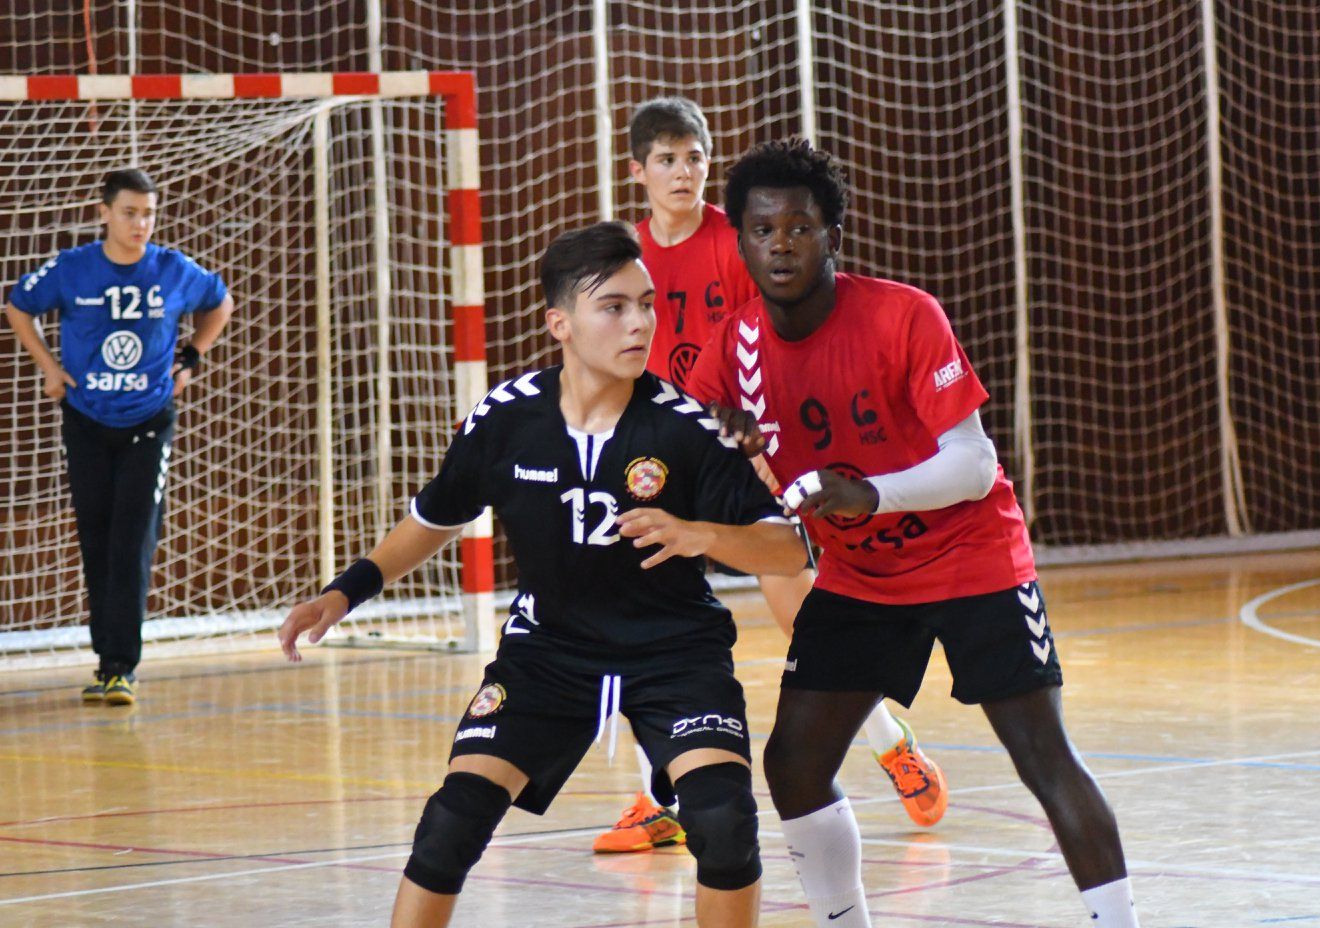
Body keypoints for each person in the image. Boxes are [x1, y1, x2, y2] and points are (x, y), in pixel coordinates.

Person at [278, 221, 807, 928]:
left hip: (675, 655)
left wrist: (701, 534)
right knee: (449, 824)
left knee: (723, 819)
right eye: (613, 306)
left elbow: (788, 550)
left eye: (646, 304)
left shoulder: (687, 428)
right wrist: (345, 591)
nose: (640, 323)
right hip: (549, 653)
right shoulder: (506, 419)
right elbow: (434, 518)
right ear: (560, 323)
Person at [686, 140, 1141, 928]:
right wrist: (714, 438)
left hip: (973, 559)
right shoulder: (735, 349)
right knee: (793, 764)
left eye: (800, 227)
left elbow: (974, 464)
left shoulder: (904, 314)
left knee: (1042, 756)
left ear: (834, 235)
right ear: (742, 244)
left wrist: (869, 495)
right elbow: (682, 452)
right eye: (762, 230)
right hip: (862, 579)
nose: (781, 245)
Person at [590, 97, 948, 856]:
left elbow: (780, 334)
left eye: (694, 157)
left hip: (746, 441)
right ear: (638, 172)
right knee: (647, 620)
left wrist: (765, 439)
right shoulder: (627, 254)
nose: (683, 172)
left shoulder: (740, 238)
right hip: (664, 451)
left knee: (801, 611)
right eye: (667, 160)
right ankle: (658, 798)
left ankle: (890, 743)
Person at [5, 168, 233, 706]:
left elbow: (219, 301)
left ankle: (119, 667)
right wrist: (49, 368)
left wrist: (192, 356)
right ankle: (104, 657)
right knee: (97, 537)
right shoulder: (74, 268)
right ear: (104, 213)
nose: (141, 224)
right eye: (130, 213)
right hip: (86, 419)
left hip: (147, 422)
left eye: (148, 214)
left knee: (133, 540)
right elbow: (18, 305)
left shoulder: (172, 269)